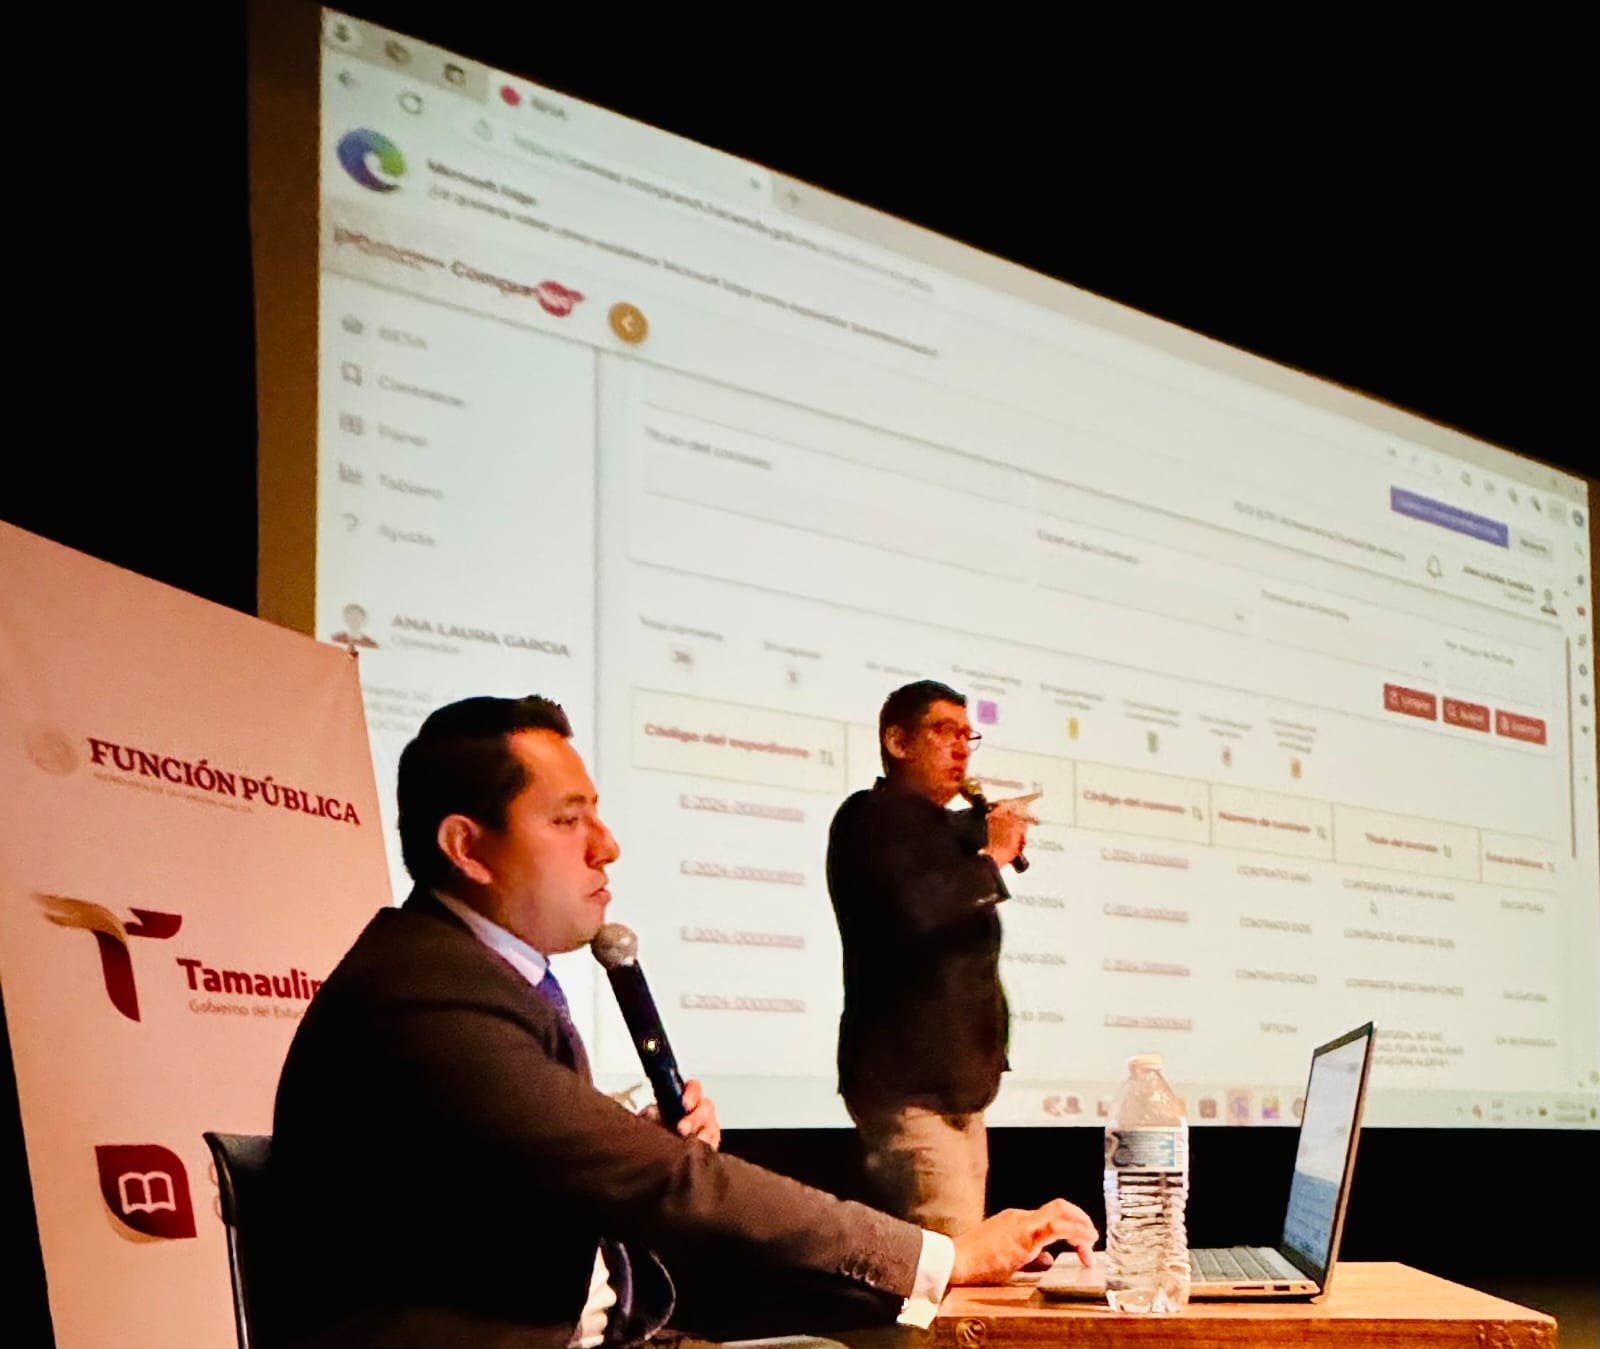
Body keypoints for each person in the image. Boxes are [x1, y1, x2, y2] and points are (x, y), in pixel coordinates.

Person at [265, 694, 1091, 1348]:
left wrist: (633, 1139)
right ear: (467, 847)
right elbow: (673, 1184)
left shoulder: (475, 975)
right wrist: (941, 1256)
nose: (607, 845)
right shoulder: (424, 991)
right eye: (568, 819)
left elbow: (540, 1187)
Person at [826, 680, 1032, 1238]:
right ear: (898, 742)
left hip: (959, 1090)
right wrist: (993, 855)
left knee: (965, 1255)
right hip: (910, 1090)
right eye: (945, 732)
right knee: (949, 1268)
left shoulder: (939, 830)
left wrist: (990, 832)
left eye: (968, 735)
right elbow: (922, 906)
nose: (961, 748)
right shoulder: (871, 818)